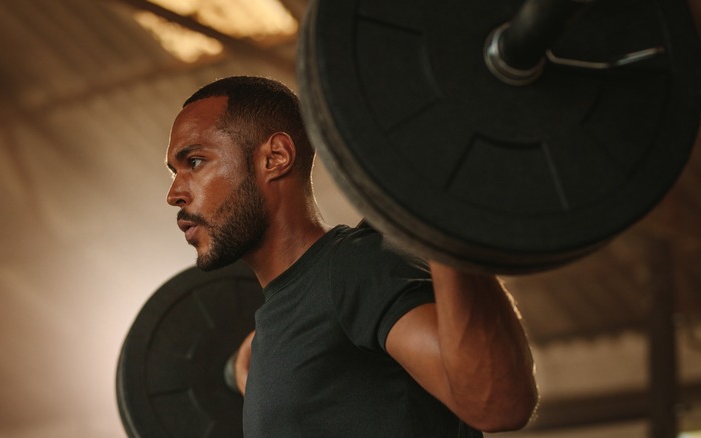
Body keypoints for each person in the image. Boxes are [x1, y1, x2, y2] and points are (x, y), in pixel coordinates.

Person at [165, 76, 537, 437]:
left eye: (195, 162)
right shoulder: (276, 328)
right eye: (174, 172)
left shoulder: (355, 268)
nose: (175, 193)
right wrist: (248, 363)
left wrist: (440, 212)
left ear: (275, 157)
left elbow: (498, 402)